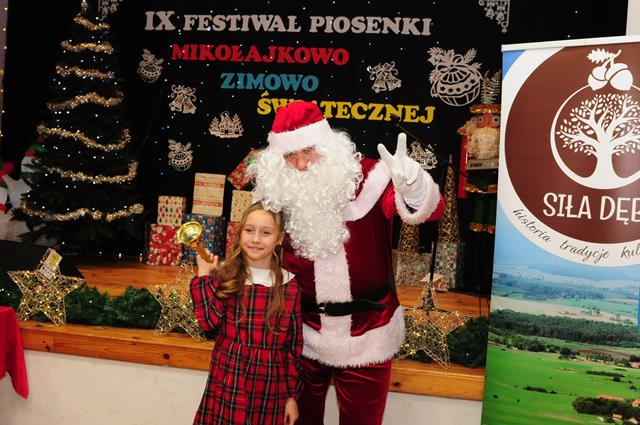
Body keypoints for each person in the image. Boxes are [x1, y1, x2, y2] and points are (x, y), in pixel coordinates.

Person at [248, 100, 445, 425]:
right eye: (290, 155)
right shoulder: (279, 190)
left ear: (327, 145)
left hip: (367, 335)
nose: (300, 164)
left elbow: (429, 211)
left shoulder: (372, 177)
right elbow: (255, 248)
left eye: (308, 150)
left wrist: (414, 186)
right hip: (301, 336)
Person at [190, 201, 302, 425]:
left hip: (270, 384)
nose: (255, 239)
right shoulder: (227, 276)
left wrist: (291, 397)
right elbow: (208, 323)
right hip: (228, 378)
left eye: (266, 233)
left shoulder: (290, 286)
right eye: (249, 230)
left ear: (279, 238)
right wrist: (204, 276)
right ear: (240, 233)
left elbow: (293, 347)